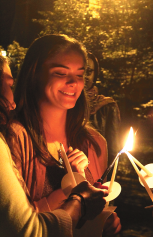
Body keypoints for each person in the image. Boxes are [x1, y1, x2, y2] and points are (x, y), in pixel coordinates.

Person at [9, 34, 121, 235]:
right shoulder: (14, 138)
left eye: (79, 75)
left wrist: (105, 220)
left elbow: (100, 210)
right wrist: (72, 195)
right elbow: (15, 224)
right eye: (61, 73)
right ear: (35, 73)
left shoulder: (94, 144)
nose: (73, 83)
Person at [85, 52, 121, 165]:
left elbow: (113, 151)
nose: (84, 76)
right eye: (81, 71)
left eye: (89, 72)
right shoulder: (64, 105)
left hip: (98, 173)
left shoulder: (107, 106)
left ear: (95, 74)